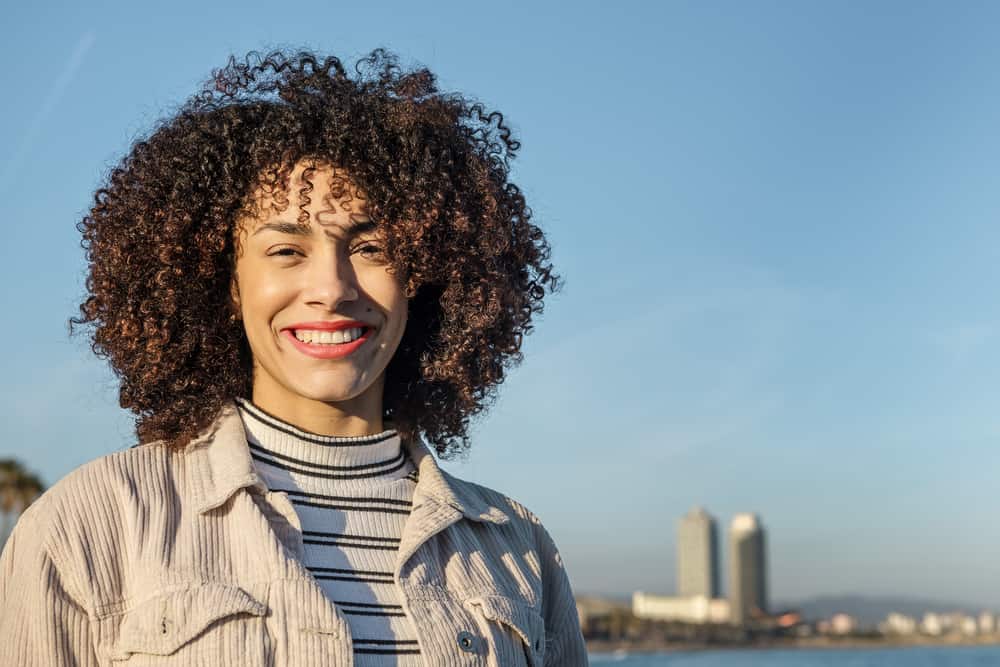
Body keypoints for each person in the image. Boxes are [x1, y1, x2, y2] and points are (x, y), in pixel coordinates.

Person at [0, 49, 588, 666]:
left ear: (426, 276)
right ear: (227, 284)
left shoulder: (520, 548)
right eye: (285, 250)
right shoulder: (86, 525)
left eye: (370, 247)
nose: (332, 288)